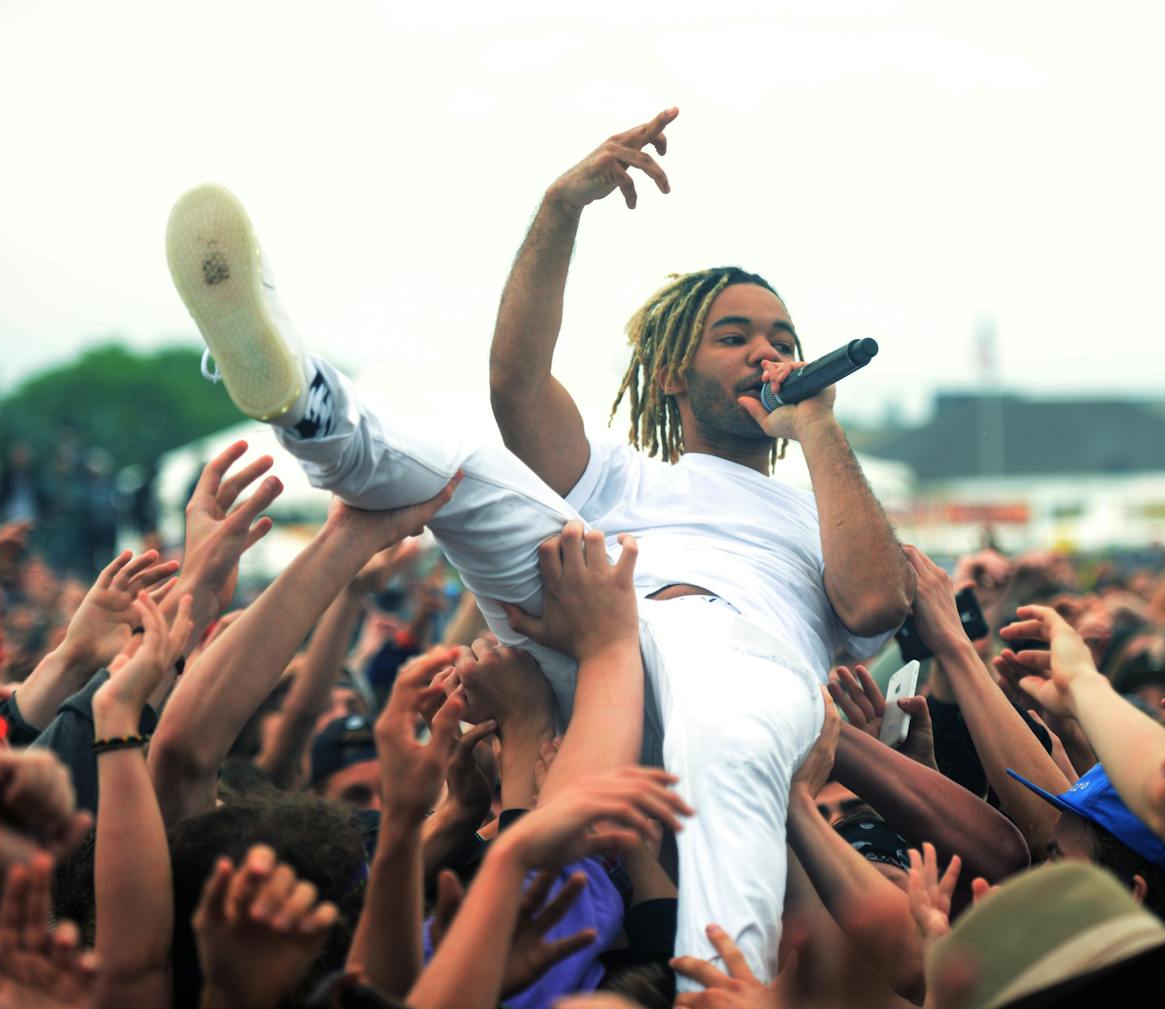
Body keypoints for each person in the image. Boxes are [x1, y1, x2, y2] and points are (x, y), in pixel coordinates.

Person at [162, 107, 914, 983]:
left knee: (725, 737)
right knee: (467, 463)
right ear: (671, 373)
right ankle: (309, 407)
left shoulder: (821, 503)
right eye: (736, 336)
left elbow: (874, 604)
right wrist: (561, 208)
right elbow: (514, 385)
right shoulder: (620, 475)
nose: (768, 352)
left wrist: (815, 424)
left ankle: (716, 985)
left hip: (743, 666)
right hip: (598, 653)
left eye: (784, 339)